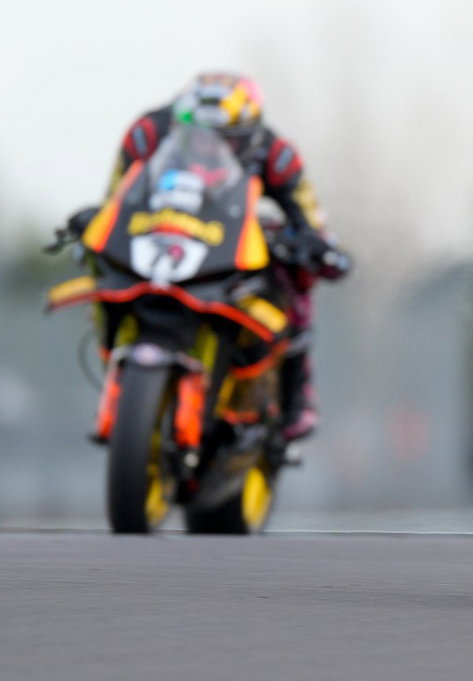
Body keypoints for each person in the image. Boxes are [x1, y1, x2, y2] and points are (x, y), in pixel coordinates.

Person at [91, 72, 351, 447]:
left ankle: (298, 393)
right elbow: (117, 198)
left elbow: (310, 217)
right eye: (197, 138)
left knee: (294, 276)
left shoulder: (278, 155)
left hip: (230, 240)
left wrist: (318, 246)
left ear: (248, 138)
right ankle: (121, 363)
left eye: (225, 140)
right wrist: (95, 221)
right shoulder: (146, 134)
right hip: (164, 237)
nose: (209, 149)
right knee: (98, 263)